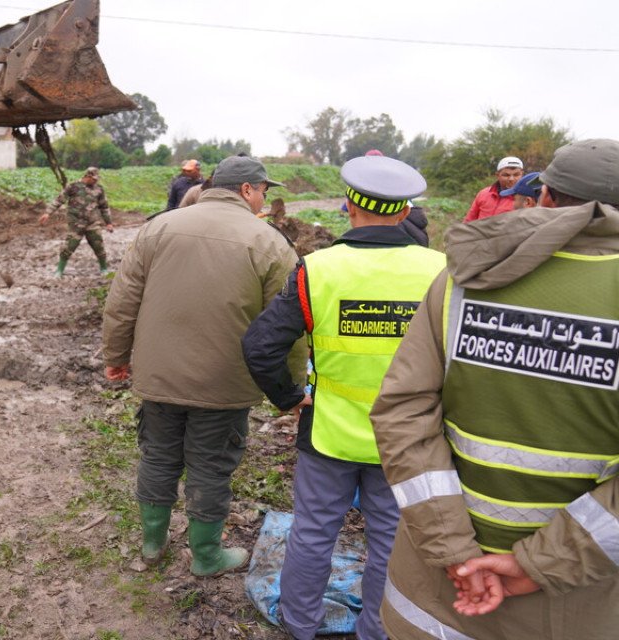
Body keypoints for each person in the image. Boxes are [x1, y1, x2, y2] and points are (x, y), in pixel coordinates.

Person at [369, 138, 619, 640]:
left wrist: (453, 548)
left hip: (436, 596)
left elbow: (402, 411)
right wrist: (538, 564)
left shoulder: (464, 278)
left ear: (543, 196)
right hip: (578, 606)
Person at [242, 155, 446, 640]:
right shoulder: (442, 271)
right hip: (408, 442)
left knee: (312, 537)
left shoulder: (317, 269)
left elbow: (260, 345)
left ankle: (300, 626)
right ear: (404, 212)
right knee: (392, 546)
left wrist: (290, 398)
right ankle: (376, 630)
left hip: (329, 435)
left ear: (350, 207)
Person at [102, 156, 303, 577]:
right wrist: (291, 389)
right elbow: (288, 327)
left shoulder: (158, 227)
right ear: (247, 190)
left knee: (157, 457)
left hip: (158, 376)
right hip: (223, 384)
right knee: (210, 467)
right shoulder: (270, 243)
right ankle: (207, 557)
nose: (264, 198)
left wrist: (117, 358)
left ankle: (152, 545)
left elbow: (122, 301)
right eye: (264, 189)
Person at [38, 167, 114, 276]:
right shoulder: (73, 187)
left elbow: (104, 207)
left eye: (97, 179)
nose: (95, 181)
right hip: (76, 224)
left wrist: (109, 223)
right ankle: (59, 271)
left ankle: (104, 269)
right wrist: (48, 213)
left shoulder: (99, 189)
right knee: (69, 247)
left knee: (99, 246)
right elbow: (59, 200)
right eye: (94, 179)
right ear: (87, 176)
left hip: (93, 224)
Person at [463, 156, 523, 222]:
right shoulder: (484, 194)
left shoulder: (526, 198)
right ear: (497, 175)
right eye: (506, 175)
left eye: (516, 175)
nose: (511, 179)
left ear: (522, 174)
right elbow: (469, 220)